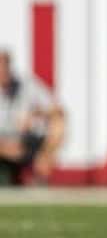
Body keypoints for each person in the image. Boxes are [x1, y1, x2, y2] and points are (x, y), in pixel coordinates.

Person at [0, 50, 65, 186]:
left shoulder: (26, 85)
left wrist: (35, 114)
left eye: (4, 67)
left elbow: (58, 110)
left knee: (58, 125)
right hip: (4, 142)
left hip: (25, 141)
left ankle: (40, 174)